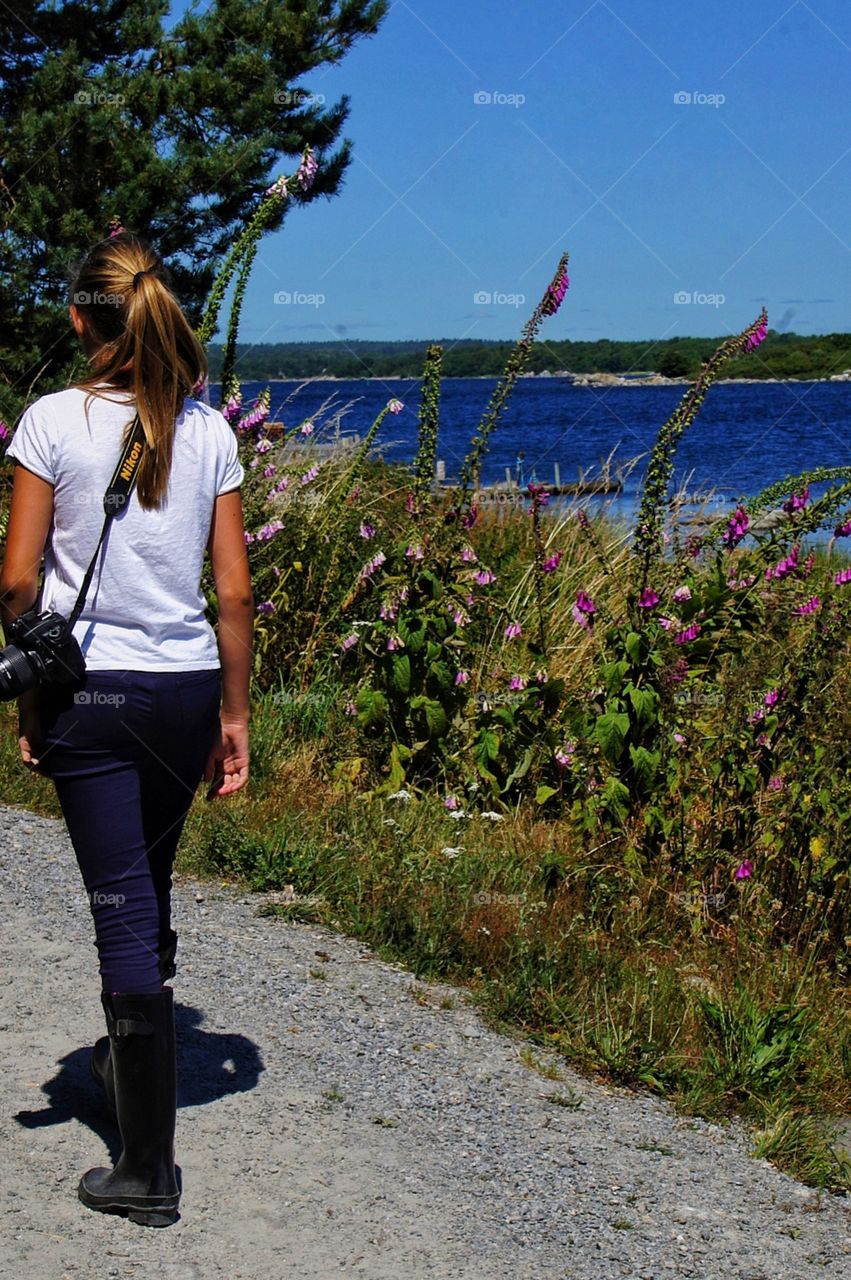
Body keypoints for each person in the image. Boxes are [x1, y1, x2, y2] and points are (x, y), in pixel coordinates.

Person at [0, 230, 254, 1227]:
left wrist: (30, 696)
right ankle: (124, 1061)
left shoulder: (51, 421)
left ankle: (147, 1165)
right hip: (183, 688)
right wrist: (234, 713)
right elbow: (230, 591)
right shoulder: (209, 431)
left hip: (93, 697)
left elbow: (20, 581)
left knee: (122, 907)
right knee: (141, 881)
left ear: (79, 320)